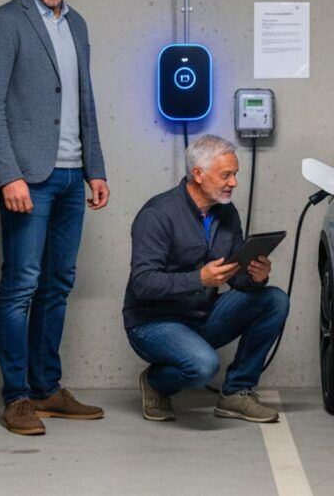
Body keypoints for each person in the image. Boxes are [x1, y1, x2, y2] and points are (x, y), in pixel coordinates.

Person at [0, 0, 109, 436]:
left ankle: (48, 387)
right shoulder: (5, 22)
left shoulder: (77, 25)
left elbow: (85, 100)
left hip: (74, 177)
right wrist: (9, 174)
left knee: (57, 284)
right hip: (27, 178)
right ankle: (17, 398)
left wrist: (95, 167)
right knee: (20, 286)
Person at [123, 134, 289, 423]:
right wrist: (198, 279)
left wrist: (256, 278)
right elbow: (143, 282)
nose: (234, 182)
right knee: (203, 366)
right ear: (198, 174)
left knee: (274, 300)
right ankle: (155, 382)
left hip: (202, 315)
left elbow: (235, 280)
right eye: (226, 175)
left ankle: (236, 393)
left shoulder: (227, 213)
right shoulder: (158, 214)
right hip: (153, 322)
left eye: (235, 174)